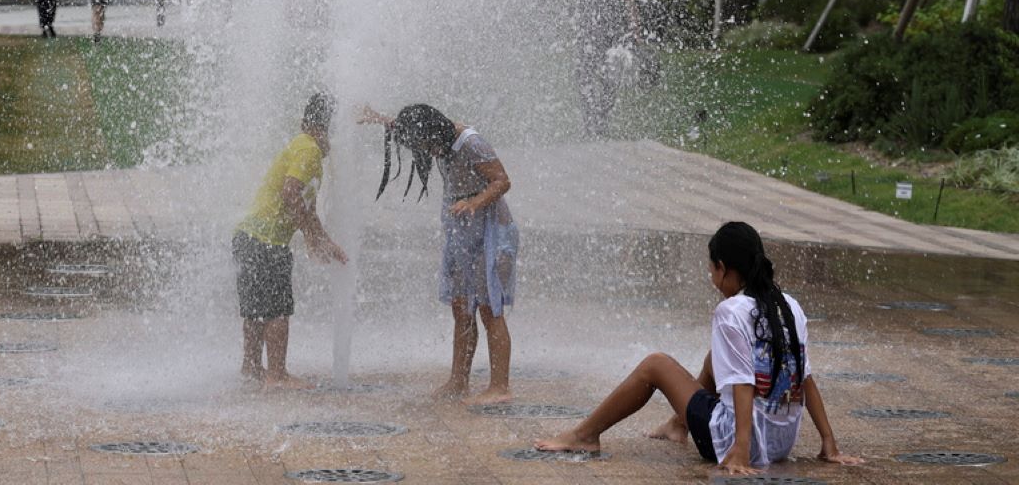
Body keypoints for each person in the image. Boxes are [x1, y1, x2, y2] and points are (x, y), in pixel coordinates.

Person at [534, 222, 862, 475]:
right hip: (780, 443)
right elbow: (804, 379)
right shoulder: (789, 306)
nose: (712, 279)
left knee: (655, 364)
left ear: (723, 268)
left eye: (711, 270)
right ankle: (678, 425)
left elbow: (743, 383)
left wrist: (739, 450)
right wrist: (829, 443)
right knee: (714, 357)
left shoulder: (731, 312)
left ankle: (585, 435)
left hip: (731, 441)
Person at [359, 104, 519, 404]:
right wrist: (381, 120)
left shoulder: (470, 142)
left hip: (491, 234)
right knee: (461, 308)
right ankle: (458, 381)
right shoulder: (437, 134)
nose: (427, 151)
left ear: (435, 133)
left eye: (425, 143)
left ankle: (500, 387)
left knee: (488, 308)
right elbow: (410, 126)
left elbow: (502, 180)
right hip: (462, 233)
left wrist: (474, 202)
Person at [232, 93, 348, 388]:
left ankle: (252, 368)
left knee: (256, 308)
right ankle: (278, 375)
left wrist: (323, 239)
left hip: (249, 237)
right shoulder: (308, 150)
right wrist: (311, 238)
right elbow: (290, 192)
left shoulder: (300, 145)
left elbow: (305, 207)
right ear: (324, 129)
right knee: (278, 309)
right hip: (267, 240)